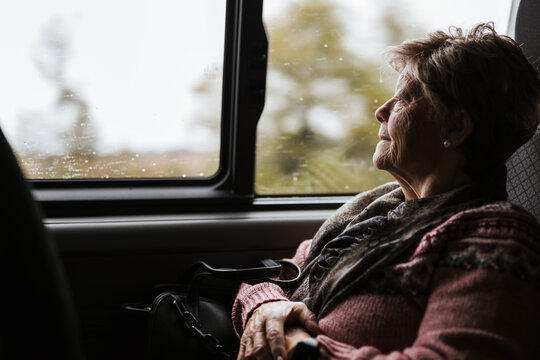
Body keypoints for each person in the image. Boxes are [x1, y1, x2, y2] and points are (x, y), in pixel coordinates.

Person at [232, 23, 540, 360]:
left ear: (456, 126)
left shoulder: (495, 237)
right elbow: (276, 278)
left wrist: (298, 347)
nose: (381, 111)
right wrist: (266, 307)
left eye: (405, 98)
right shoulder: (373, 214)